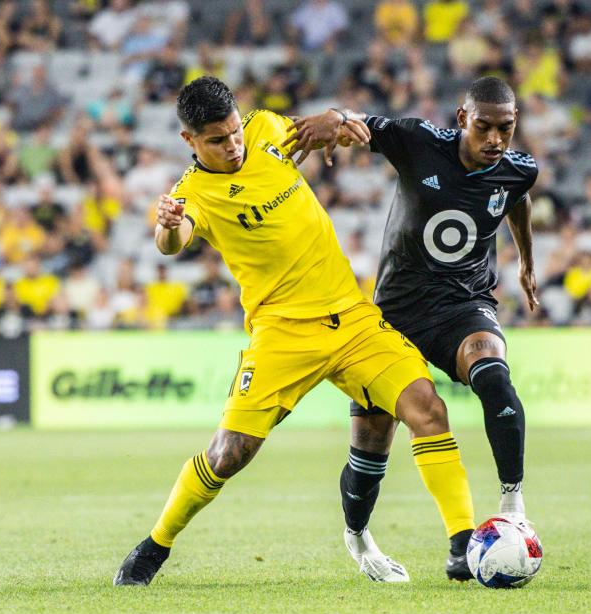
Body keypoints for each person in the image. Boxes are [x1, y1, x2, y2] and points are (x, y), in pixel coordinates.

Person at [113, 77, 476, 586]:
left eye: (234, 131)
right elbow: (171, 242)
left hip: (352, 320)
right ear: (189, 142)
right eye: (217, 140)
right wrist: (169, 223)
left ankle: (464, 546)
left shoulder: (264, 128)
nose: (233, 144)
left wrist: (334, 118)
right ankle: (154, 548)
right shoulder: (193, 193)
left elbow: (315, 130)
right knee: (227, 455)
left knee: (427, 408)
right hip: (281, 333)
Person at [288, 76, 538, 583]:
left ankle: (507, 509)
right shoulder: (420, 142)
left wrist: (527, 262)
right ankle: (357, 536)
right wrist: (333, 118)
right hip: (394, 315)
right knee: (370, 449)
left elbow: (516, 198)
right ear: (462, 117)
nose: (495, 140)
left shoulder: (518, 170)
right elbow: (359, 124)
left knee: (494, 376)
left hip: (463, 306)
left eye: (506, 130)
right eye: (484, 127)